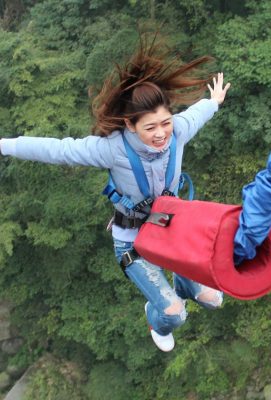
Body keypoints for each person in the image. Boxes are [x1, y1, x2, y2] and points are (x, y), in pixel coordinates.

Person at [0, 39, 231, 352]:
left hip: (172, 232)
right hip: (133, 241)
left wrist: (214, 101)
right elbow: (58, 149)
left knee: (214, 299)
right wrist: (5, 145)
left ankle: (184, 284)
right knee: (174, 316)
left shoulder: (176, 131)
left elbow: (196, 114)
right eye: (150, 128)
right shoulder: (112, 149)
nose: (161, 133)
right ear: (130, 125)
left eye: (165, 122)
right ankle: (155, 315)